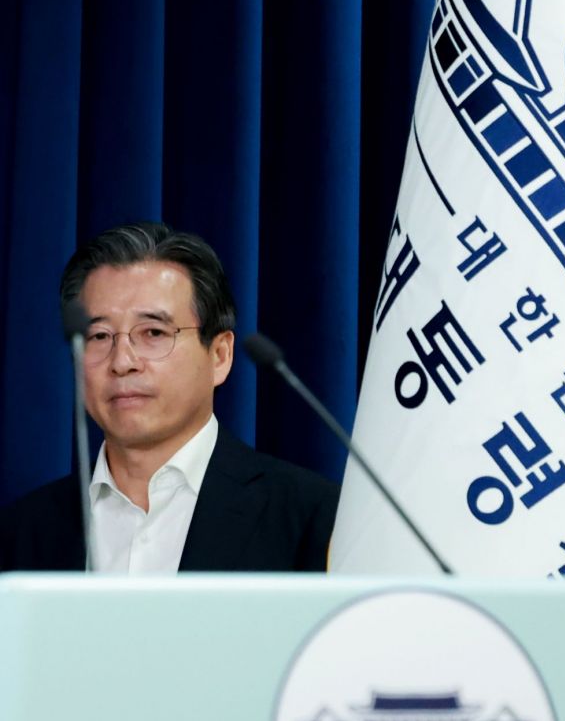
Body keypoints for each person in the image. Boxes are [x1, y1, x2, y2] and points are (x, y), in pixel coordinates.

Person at [0, 222, 339, 572]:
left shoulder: (315, 520)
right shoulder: (19, 535)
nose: (122, 362)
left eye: (153, 333)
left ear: (220, 356)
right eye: (99, 336)